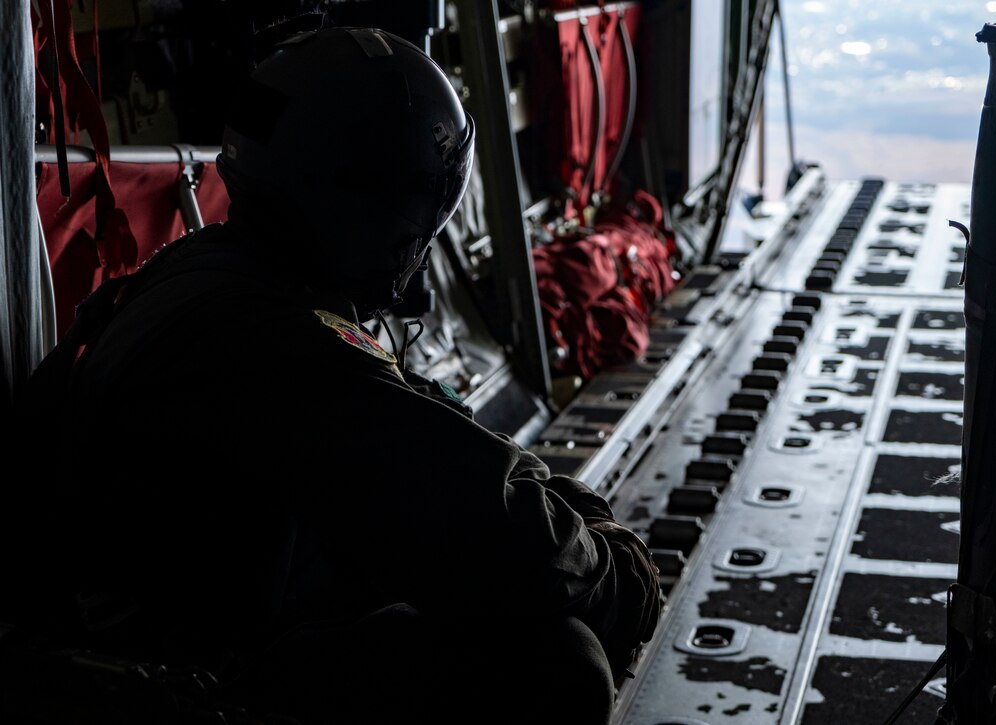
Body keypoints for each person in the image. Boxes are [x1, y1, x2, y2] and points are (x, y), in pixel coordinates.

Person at [7, 25, 661, 725]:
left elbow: (446, 448)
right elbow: (507, 530)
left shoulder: (211, 276)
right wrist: (625, 573)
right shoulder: (283, 346)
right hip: (163, 681)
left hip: (147, 638)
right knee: (557, 662)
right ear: (387, 211)